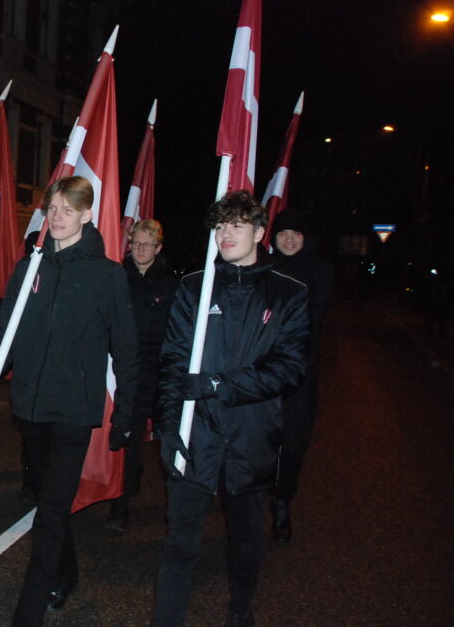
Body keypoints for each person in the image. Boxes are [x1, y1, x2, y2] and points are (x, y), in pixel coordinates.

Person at [0, 176, 139, 626]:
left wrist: (126, 411)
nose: (57, 217)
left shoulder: (107, 275)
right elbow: (4, 333)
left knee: (49, 513)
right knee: (49, 500)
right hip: (29, 406)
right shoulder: (31, 268)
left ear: (87, 214)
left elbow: (126, 348)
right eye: (53, 209)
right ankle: (66, 571)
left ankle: (29, 610)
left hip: (73, 411)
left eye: (68, 210)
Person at [152, 191, 309, 627]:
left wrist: (219, 384)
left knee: (245, 542)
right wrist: (167, 427)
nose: (226, 234)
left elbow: (289, 370)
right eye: (220, 226)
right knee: (180, 545)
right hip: (196, 435)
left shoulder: (288, 294)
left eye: (237, 225)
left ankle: (240, 610)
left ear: (259, 233)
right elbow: (172, 363)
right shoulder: (194, 288)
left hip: (251, 439)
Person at [105, 219, 178, 533]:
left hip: (160, 370)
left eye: (147, 244)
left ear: (158, 247)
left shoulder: (171, 284)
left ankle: (178, 507)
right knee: (129, 437)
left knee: (169, 439)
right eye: (136, 243)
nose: (141, 249)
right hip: (128, 369)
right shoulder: (118, 278)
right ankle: (120, 505)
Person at [269, 208, 334, 542]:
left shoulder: (319, 270)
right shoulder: (264, 268)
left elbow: (311, 316)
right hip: (262, 372)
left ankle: (282, 500)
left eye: (296, 233)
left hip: (298, 374)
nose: (289, 239)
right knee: (259, 441)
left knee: (293, 444)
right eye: (282, 233)